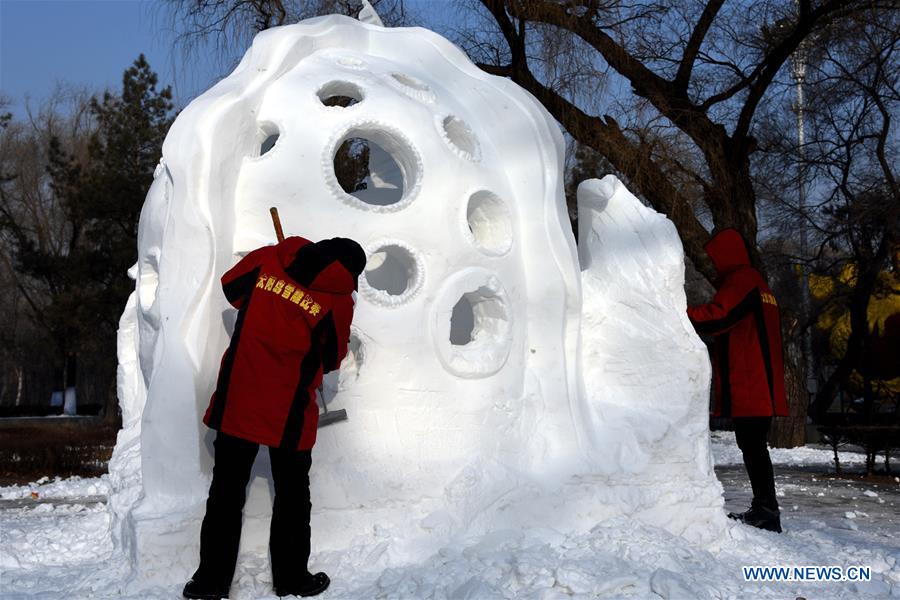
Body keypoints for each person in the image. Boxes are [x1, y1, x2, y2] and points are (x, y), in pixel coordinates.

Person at [183, 235, 366, 599]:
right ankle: (292, 579)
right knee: (293, 496)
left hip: (240, 395)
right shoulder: (338, 301)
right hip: (289, 409)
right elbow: (331, 356)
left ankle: (209, 584)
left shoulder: (270, 259)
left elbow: (231, 288)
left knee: (226, 492)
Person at [687, 228, 788, 533]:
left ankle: (767, 511)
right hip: (760, 381)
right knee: (754, 446)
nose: (714, 264)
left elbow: (719, 315)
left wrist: (680, 313)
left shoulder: (742, 281)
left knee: (753, 446)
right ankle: (766, 508)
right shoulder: (758, 283)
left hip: (751, 381)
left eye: (716, 257)